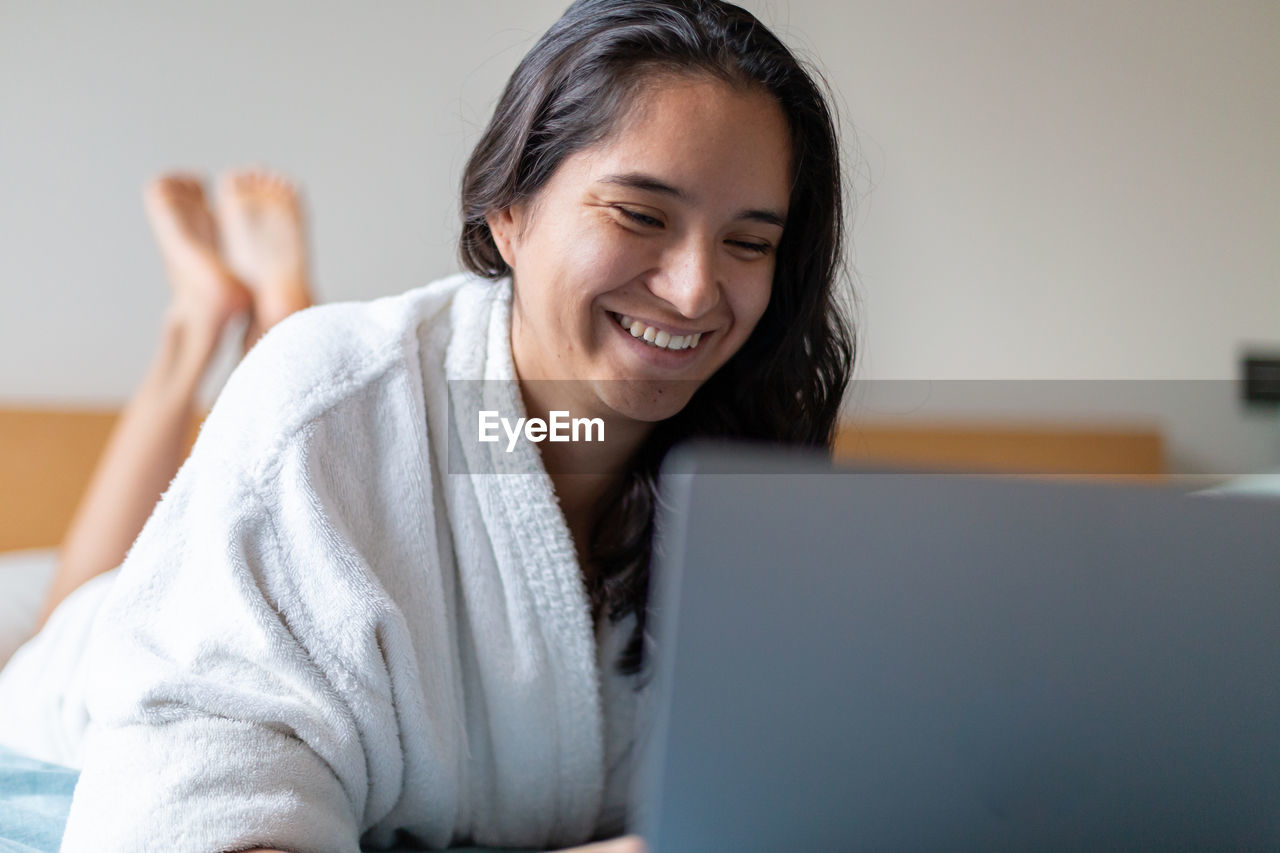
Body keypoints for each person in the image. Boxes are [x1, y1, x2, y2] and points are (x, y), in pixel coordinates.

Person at [0, 1, 854, 850]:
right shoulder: (330, 399)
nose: (697, 290)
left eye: (749, 242)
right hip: (63, 702)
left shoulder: (750, 463)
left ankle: (240, 307)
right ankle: (201, 325)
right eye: (640, 215)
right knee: (80, 610)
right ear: (509, 210)